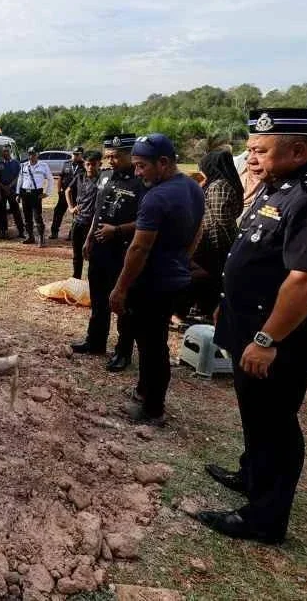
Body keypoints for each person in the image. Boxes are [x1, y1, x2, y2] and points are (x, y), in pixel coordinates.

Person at [199, 108, 307, 545]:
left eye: (260, 151)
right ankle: (251, 474)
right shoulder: (281, 186)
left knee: (276, 423)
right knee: (256, 414)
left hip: (280, 340)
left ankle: (264, 519)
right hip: (251, 326)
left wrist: (266, 338)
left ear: (298, 150)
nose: (252, 160)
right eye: (250, 151)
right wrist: (230, 305)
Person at [108, 134, 205, 424]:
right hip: (174, 278)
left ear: (163, 163)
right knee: (153, 341)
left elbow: (139, 247)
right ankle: (145, 391)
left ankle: (153, 409)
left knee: (152, 347)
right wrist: (183, 260)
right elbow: (198, 230)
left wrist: (120, 288)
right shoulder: (192, 187)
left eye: (141, 166)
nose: (137, 173)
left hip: (151, 283)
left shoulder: (157, 197)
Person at [71, 135, 144, 371]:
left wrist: (118, 230)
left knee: (124, 303)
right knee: (98, 298)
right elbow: (97, 211)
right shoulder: (104, 177)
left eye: (116, 156)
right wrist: (89, 238)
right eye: (108, 156)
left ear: (130, 155)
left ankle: (123, 352)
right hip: (100, 249)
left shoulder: (141, 181)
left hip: (124, 251)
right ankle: (95, 341)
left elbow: (146, 222)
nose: (111, 161)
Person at [177, 149, 243, 321]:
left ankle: (201, 310)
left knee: (209, 276)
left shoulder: (219, 186)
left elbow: (222, 218)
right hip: (213, 239)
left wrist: (233, 243)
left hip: (215, 241)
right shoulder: (223, 183)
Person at [65, 151, 102, 280]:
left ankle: (92, 284)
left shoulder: (103, 180)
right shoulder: (80, 177)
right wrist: (71, 208)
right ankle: (76, 280)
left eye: (93, 164)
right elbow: (68, 190)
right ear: (84, 165)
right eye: (88, 164)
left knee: (93, 256)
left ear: (99, 164)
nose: (91, 167)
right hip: (78, 221)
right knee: (77, 255)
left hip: (94, 224)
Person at [16, 147, 54, 245]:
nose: (31, 156)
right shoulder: (23, 165)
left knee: (37, 217)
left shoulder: (43, 166)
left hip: (36, 193)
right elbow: (20, 180)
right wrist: (18, 193)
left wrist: (47, 193)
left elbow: (50, 179)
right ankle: (30, 237)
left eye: (33, 154)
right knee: (27, 216)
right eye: (29, 154)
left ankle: (41, 238)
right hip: (25, 193)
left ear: (38, 154)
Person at [52, 146, 85, 240]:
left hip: (77, 195)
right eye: (74, 154)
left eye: (77, 155)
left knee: (76, 215)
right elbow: (60, 178)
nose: (74, 156)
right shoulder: (66, 164)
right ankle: (54, 232)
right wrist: (59, 191)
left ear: (81, 155)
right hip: (64, 194)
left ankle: (72, 234)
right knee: (58, 212)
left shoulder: (85, 165)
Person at [0, 145, 25, 238]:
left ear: (10, 152)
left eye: (7, 151)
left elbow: (18, 176)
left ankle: (21, 231)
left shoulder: (16, 163)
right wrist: (3, 187)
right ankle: (3, 232)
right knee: (1, 212)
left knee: (16, 212)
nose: (5, 153)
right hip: (2, 191)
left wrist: (10, 186)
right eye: (4, 151)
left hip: (12, 191)